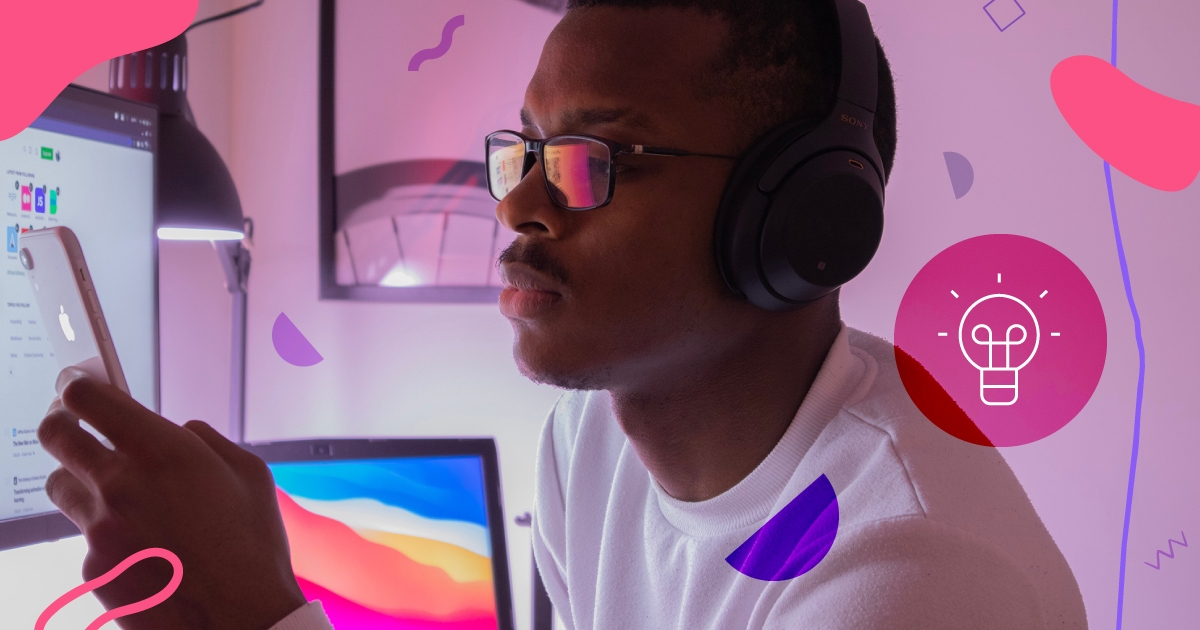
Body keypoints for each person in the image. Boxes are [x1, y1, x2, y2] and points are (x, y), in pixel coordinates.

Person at [37, 0, 1088, 628]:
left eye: (597, 159)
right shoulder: (595, 442)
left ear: (799, 220)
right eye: (525, 150)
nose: (518, 204)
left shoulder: (908, 576)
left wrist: (263, 615)